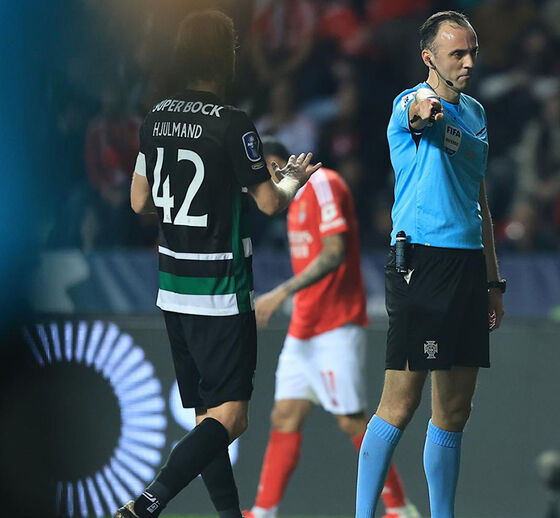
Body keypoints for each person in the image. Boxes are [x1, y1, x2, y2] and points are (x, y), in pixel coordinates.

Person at [118, 10, 322, 518]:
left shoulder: (154, 118)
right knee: (231, 419)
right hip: (220, 288)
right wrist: (293, 179)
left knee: (208, 419)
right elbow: (271, 204)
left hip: (172, 287)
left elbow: (139, 202)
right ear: (227, 58)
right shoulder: (233, 124)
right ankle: (147, 504)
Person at [355, 11, 506, 518]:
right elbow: (420, 114)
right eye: (456, 54)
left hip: (466, 267)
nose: (467, 63)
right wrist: (427, 113)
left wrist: (493, 280)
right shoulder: (410, 103)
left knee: (455, 410)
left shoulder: (477, 113)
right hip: (420, 262)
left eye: (471, 53)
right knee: (400, 403)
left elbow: (479, 202)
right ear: (429, 59)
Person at [242, 139, 419, 518]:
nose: (266, 185)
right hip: (303, 328)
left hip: (337, 324)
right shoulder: (290, 205)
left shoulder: (324, 183)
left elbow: (335, 251)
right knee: (284, 415)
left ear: (279, 165)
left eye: (267, 174)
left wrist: (281, 293)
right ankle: (263, 512)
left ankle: (399, 508)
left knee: (351, 420)